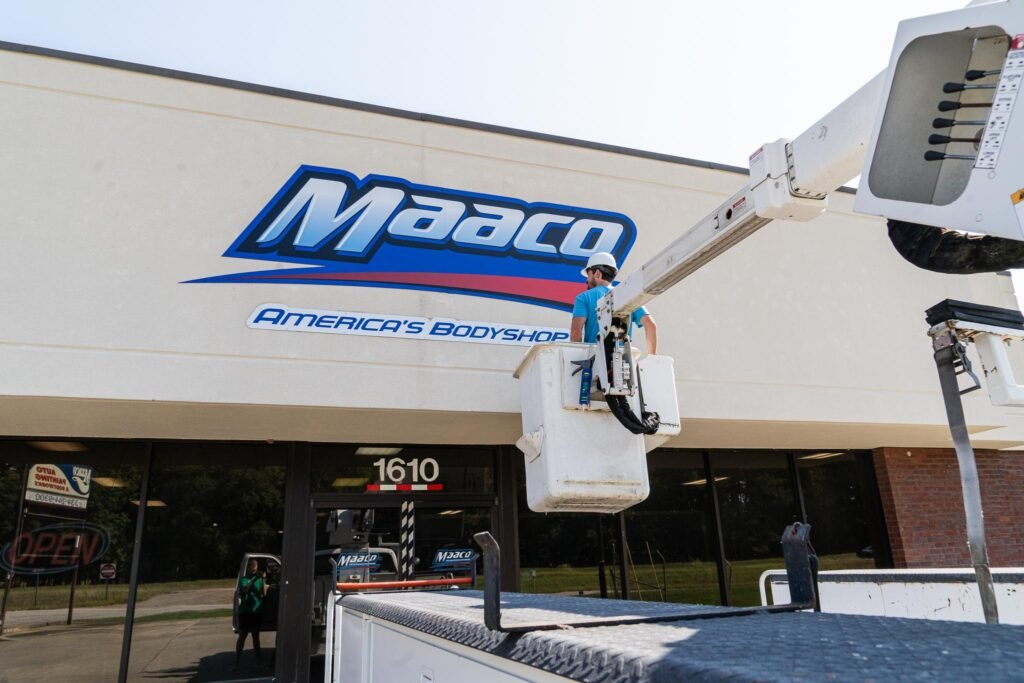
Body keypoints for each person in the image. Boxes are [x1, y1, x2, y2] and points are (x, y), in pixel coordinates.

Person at [570, 252, 657, 354]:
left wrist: (578, 360)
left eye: (588, 274)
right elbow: (650, 325)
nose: (587, 280)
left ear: (597, 273)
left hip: (595, 361)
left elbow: (576, 332)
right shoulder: (627, 296)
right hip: (624, 362)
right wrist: (652, 358)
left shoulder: (584, 297)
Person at [235, 558, 267, 670]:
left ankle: (258, 661)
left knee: (255, 637)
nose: (254, 571)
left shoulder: (258, 579)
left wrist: (263, 580)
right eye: (252, 570)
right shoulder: (243, 579)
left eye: (255, 570)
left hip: (255, 611)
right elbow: (244, 590)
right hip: (245, 611)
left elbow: (263, 593)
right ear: (248, 568)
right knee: (242, 636)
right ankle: (237, 661)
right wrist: (254, 579)